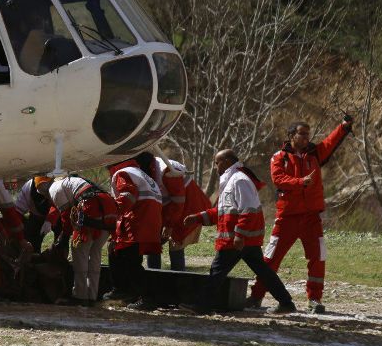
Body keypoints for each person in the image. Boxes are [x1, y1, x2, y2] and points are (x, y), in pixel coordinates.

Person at [248, 116, 353, 314]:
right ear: (291, 136)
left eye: (308, 134)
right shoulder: (279, 157)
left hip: (311, 218)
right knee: (271, 258)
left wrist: (343, 127)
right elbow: (278, 178)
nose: (306, 137)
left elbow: (330, 143)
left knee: (318, 256)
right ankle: (256, 296)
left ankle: (314, 299)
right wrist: (300, 182)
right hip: (288, 217)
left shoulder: (314, 154)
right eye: (302, 134)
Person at [184, 150, 296, 315]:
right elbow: (222, 212)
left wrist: (239, 235)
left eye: (217, 162)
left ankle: (202, 306)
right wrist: (198, 217)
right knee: (263, 272)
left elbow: (248, 210)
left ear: (228, 161)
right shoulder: (230, 181)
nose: (215, 167)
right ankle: (286, 303)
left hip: (237, 241)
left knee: (217, 271)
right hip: (242, 241)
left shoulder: (239, 180)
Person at [37, 176, 117, 306]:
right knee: (95, 253)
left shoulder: (53, 188)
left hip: (91, 207)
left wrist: (64, 237)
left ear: (42, 188)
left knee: (79, 251)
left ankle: (80, 296)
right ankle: (92, 296)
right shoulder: (70, 182)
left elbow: (66, 215)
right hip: (109, 207)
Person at [105, 158, 162, 311]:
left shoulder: (123, 173)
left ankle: (146, 298)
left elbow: (127, 196)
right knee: (120, 255)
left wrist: (110, 212)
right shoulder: (140, 174)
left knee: (130, 262)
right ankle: (124, 291)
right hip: (147, 223)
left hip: (136, 223)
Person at [15, 176, 61, 253]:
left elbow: (58, 204)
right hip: (36, 216)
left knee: (61, 238)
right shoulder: (27, 189)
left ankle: (59, 256)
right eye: (43, 194)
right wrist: (18, 235)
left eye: (47, 194)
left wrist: (49, 220)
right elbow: (17, 212)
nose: (45, 197)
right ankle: (34, 257)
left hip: (57, 214)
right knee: (32, 239)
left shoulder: (57, 185)